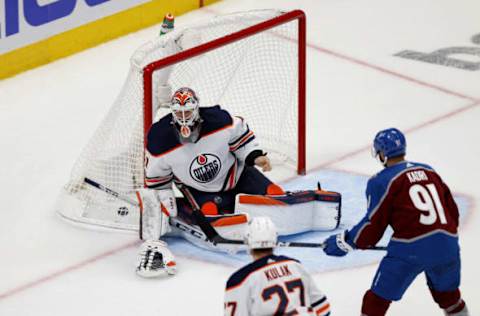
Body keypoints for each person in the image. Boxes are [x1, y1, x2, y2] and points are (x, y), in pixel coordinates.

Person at [135, 87, 284, 278]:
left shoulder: (218, 121)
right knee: (211, 212)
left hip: (238, 174)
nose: (183, 117)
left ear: (197, 108)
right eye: (178, 113)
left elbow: (242, 140)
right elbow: (157, 179)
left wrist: (255, 157)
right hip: (202, 190)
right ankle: (192, 212)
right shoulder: (160, 138)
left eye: (187, 111)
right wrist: (165, 202)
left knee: (275, 191)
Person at [322, 128, 469, 315]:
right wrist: (439, 241)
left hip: (410, 250)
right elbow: (452, 212)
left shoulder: (382, 181)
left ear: (382, 154)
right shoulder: (428, 170)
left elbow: (373, 226)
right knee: (449, 297)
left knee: (375, 302)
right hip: (447, 244)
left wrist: (344, 242)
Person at [224, 217, 331, 316]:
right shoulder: (295, 265)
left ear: (247, 241)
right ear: (275, 239)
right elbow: (324, 309)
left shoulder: (240, 280)